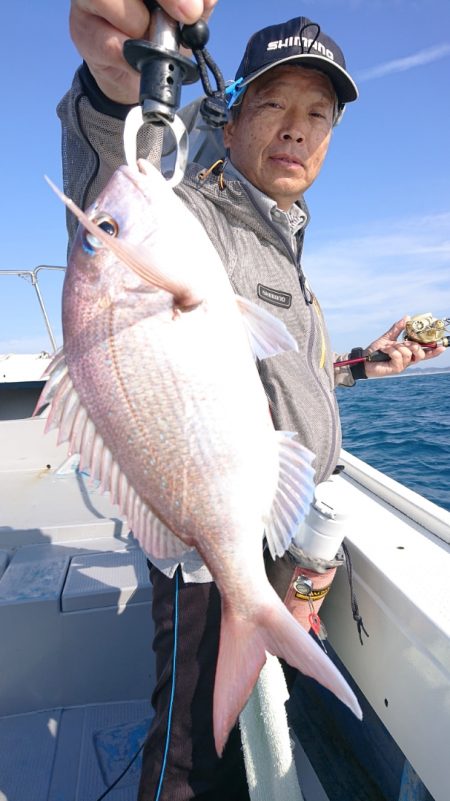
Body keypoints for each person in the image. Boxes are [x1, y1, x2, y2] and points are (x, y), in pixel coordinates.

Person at [60, 3, 445, 800]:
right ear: (227, 121)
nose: (298, 130)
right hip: (207, 540)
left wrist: (369, 364)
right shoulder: (194, 210)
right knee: (189, 757)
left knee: (232, 737)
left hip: (266, 522)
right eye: (274, 104)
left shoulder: (285, 238)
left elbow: (267, 380)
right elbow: (110, 167)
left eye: (319, 114)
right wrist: (110, 85)